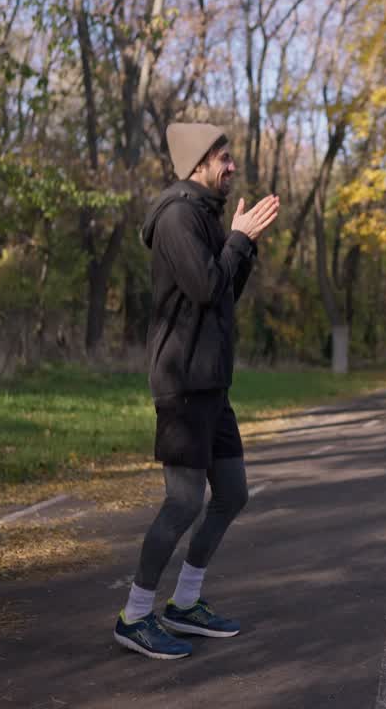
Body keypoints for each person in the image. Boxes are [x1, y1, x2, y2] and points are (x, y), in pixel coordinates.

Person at [114, 123, 280, 660]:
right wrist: (238, 240)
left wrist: (243, 246)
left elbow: (224, 292)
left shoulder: (204, 215)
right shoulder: (177, 217)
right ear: (198, 163)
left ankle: (184, 603)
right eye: (223, 157)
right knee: (184, 502)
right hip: (183, 381)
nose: (232, 166)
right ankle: (134, 615)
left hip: (212, 383)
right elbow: (206, 286)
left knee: (231, 494)